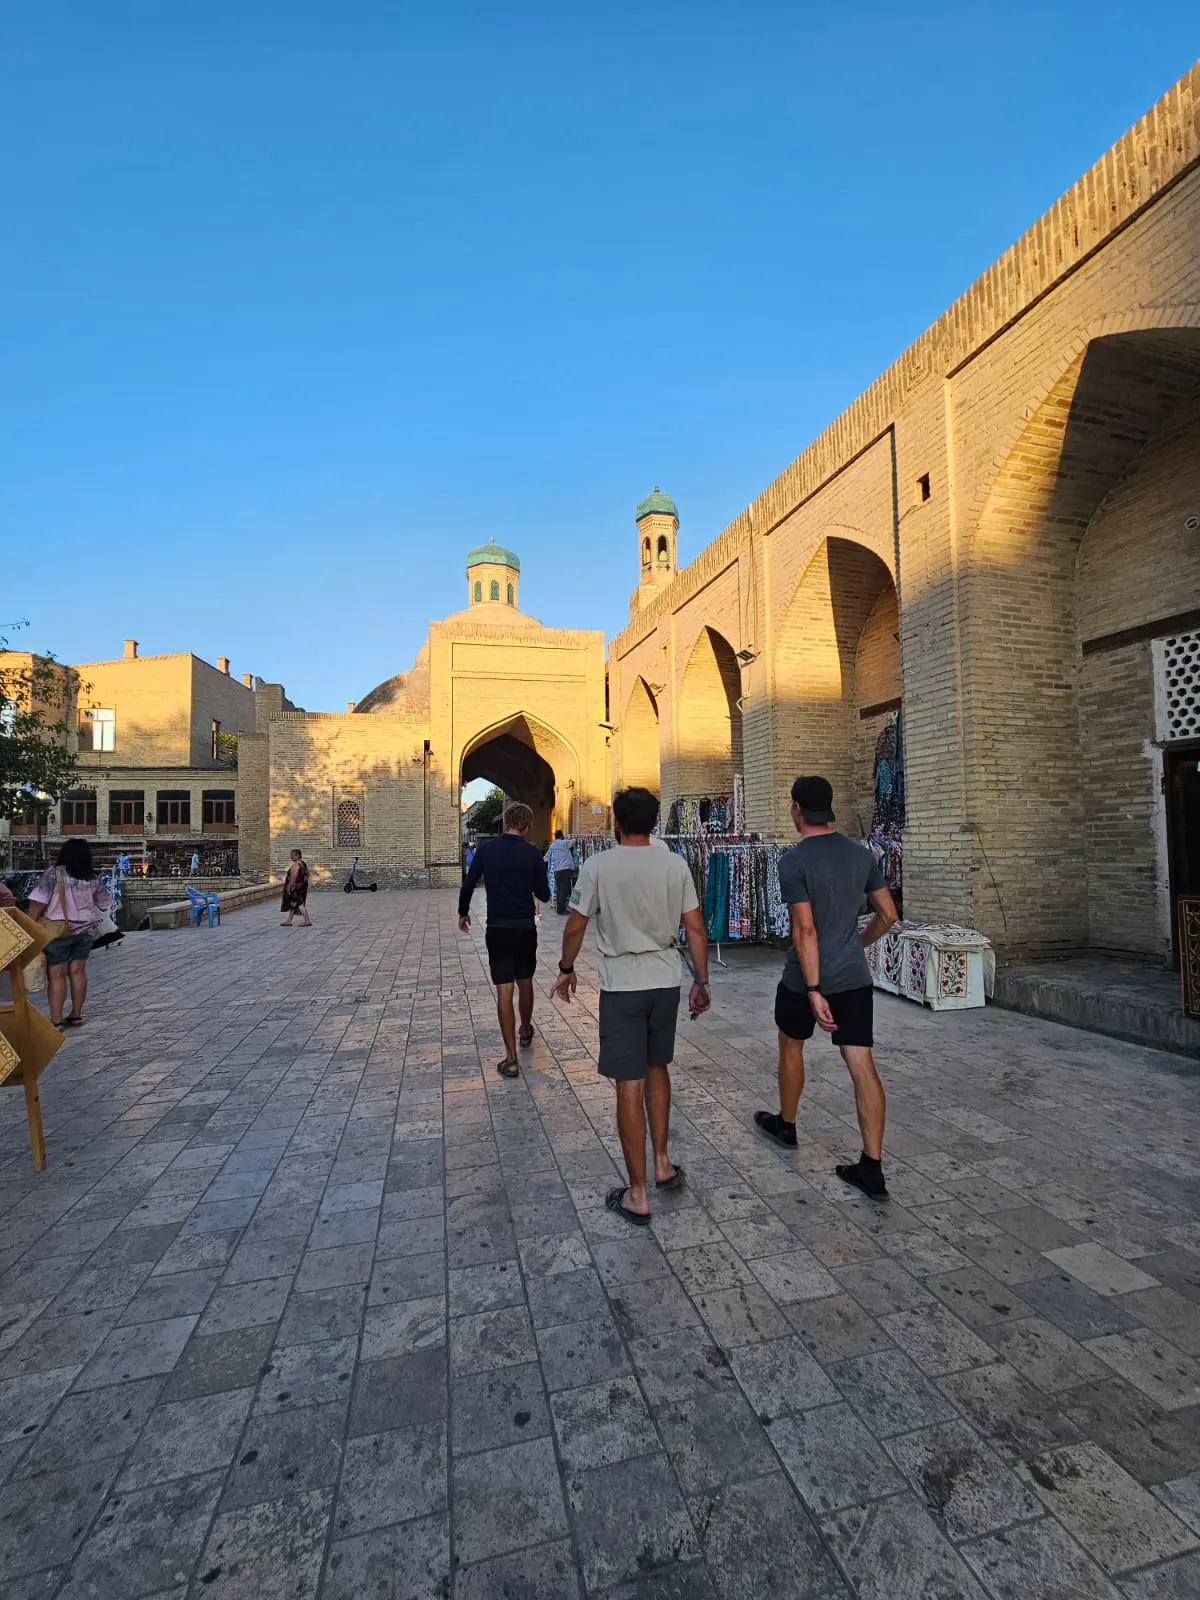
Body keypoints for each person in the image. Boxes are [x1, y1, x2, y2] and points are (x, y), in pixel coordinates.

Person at [551, 787, 710, 1224]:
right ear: (655, 822)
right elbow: (695, 929)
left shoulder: (599, 866)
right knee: (658, 1068)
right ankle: (661, 1162)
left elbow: (576, 925)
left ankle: (637, 1192)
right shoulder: (675, 865)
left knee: (629, 1081)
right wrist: (702, 980)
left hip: (622, 985)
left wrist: (566, 968)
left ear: (616, 823)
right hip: (665, 981)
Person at [754, 775, 898, 1199]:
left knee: (791, 1046)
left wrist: (814, 988)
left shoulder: (794, 861)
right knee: (862, 1065)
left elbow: (805, 930)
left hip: (804, 979)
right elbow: (889, 914)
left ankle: (788, 1123)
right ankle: (872, 1166)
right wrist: (858, 943)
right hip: (853, 976)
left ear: (797, 808)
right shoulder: (862, 854)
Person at [459, 802, 550, 1078]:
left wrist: (463, 912)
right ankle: (525, 1030)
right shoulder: (533, 854)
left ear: (505, 822)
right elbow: (544, 895)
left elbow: (469, 882)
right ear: (527, 825)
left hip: (498, 927)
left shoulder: (486, 850)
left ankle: (511, 1059)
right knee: (526, 982)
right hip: (524, 927)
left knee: (504, 990)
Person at [26, 838, 113, 1030]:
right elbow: (105, 902)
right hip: (85, 931)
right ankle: (76, 1015)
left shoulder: (53, 874)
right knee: (78, 972)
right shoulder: (92, 877)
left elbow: (38, 902)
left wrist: (30, 924)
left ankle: (56, 1020)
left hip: (57, 931)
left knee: (57, 975)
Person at [545, 830, 578, 915]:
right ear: (561, 835)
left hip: (556, 871)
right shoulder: (564, 843)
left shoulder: (552, 846)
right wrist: (569, 838)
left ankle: (559, 908)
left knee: (559, 890)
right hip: (564, 870)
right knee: (564, 890)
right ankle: (561, 909)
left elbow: (546, 857)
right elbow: (574, 841)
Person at [281, 849, 312, 927]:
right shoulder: (303, 863)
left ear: (297, 855)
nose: (291, 856)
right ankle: (289, 921)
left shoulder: (296, 865)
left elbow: (293, 877)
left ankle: (307, 921)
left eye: (292, 855)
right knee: (293, 903)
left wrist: (289, 887)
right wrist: (303, 881)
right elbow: (308, 874)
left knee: (299, 903)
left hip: (296, 887)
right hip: (302, 886)